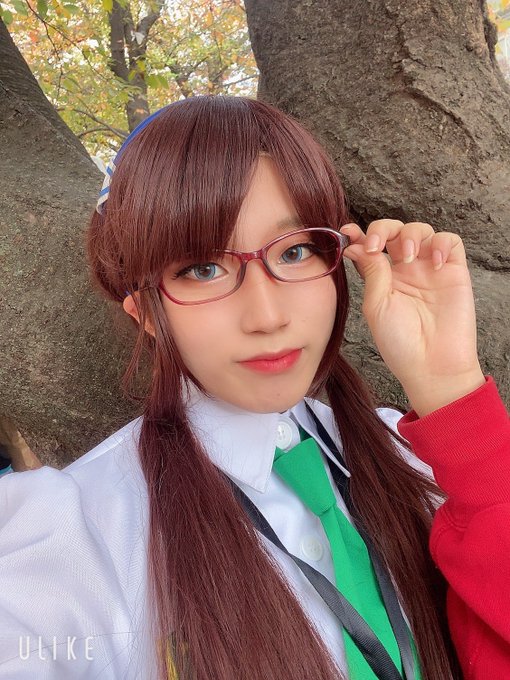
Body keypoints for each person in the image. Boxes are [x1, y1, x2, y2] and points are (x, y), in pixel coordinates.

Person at [0, 95, 508, 680]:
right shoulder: (78, 538)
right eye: (201, 269)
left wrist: (451, 387)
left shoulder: (419, 455)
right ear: (145, 312)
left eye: (295, 251)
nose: (267, 316)